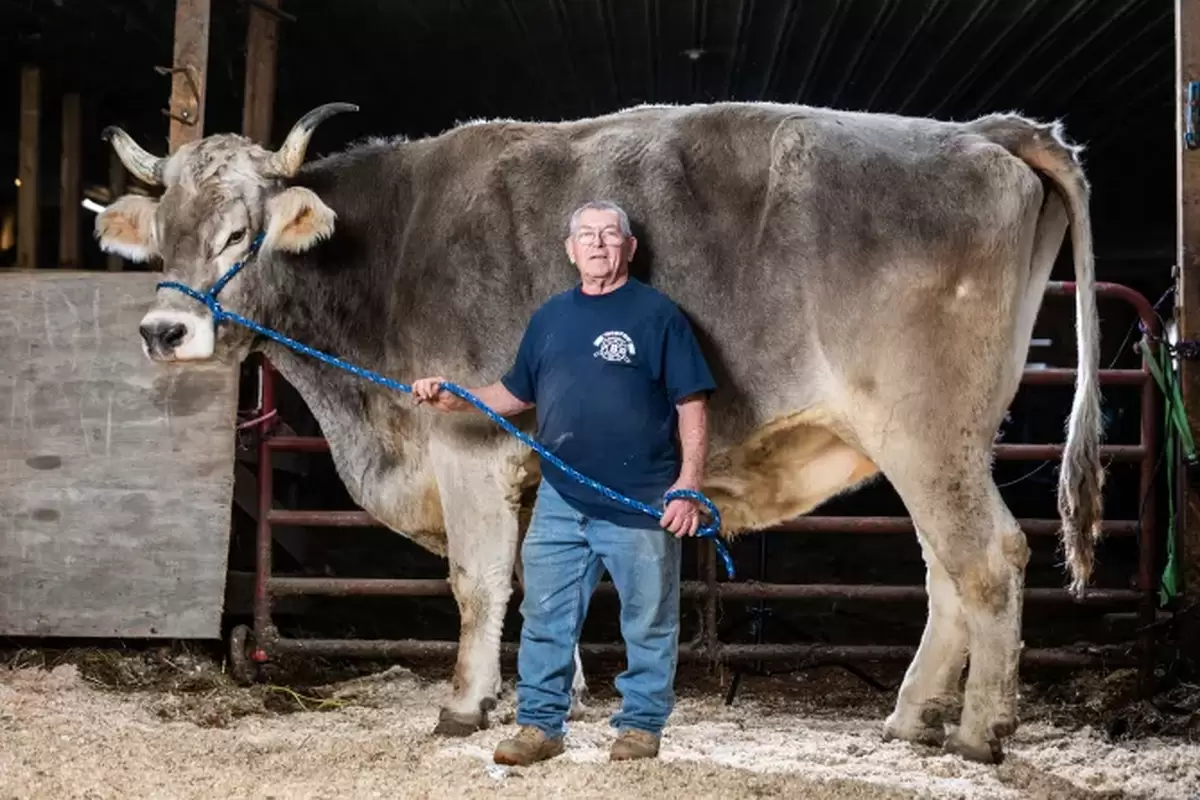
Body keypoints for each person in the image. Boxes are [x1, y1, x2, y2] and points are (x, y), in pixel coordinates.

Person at [411, 200, 717, 765]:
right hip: (561, 499)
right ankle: (540, 726)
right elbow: (515, 393)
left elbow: (690, 402)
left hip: (641, 501)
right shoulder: (551, 317)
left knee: (648, 620)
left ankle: (641, 728)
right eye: (586, 235)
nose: (598, 245)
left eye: (609, 235)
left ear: (629, 247)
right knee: (545, 617)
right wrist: (459, 397)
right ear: (570, 249)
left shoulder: (657, 315)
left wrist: (688, 485)